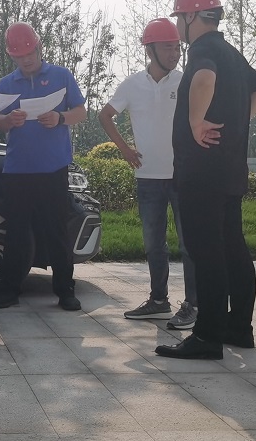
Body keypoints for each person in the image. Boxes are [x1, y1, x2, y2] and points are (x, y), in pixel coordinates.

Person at [155, 0, 256, 360]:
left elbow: (204, 78)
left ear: (191, 16)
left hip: (202, 171)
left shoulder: (203, 50)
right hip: (230, 168)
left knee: (206, 252)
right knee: (233, 247)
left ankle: (207, 337)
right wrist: (237, 122)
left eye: (180, 18)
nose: (178, 26)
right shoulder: (231, 52)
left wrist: (195, 121)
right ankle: (239, 328)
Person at [99, 18, 198, 329]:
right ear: (150, 50)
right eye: (168, 47)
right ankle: (158, 301)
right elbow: (105, 115)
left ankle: (193, 305)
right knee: (154, 244)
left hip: (183, 176)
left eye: (177, 47)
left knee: (189, 244)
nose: (175, 53)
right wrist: (125, 149)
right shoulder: (132, 85)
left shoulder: (186, 81)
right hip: (148, 178)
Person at [0, 22, 87, 311]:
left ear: (39, 47)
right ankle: (9, 290)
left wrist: (60, 118)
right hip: (17, 170)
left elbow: (81, 112)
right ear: (12, 56)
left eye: (29, 53)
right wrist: (8, 121)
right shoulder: (6, 84)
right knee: (16, 233)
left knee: (57, 231)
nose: (26, 60)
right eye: (19, 56)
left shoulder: (61, 75)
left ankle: (65, 291)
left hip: (53, 169)